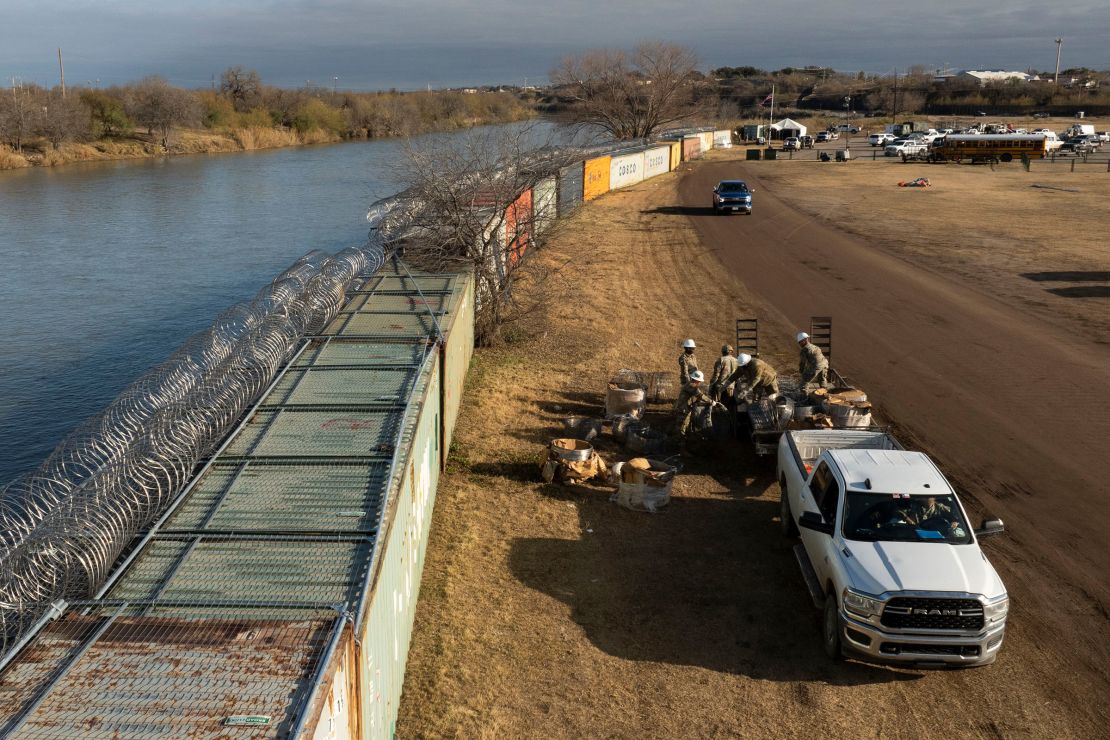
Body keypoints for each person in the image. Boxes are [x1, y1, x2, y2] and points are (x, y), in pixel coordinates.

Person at [673, 370, 723, 436]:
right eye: (699, 381)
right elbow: (700, 395)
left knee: (686, 424)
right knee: (682, 426)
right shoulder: (691, 385)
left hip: (685, 407)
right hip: (683, 409)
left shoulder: (690, 384)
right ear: (697, 380)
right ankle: (679, 441)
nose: (700, 383)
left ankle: (683, 438)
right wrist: (711, 401)